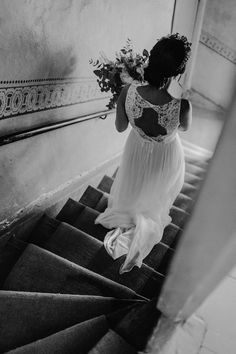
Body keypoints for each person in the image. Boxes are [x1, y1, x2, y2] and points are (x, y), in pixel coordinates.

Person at [95, 33, 192, 274]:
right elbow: (184, 128)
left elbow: (120, 127)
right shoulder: (183, 106)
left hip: (136, 151)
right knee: (154, 193)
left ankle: (128, 213)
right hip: (165, 159)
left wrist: (122, 101)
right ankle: (142, 217)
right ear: (177, 73)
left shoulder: (127, 91)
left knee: (135, 183)